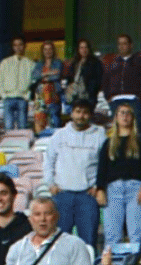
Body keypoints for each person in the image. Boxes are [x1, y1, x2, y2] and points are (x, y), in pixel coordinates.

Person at [41, 97, 106, 245]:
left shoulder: (99, 135)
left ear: (90, 115)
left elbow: (105, 164)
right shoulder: (59, 135)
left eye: (85, 112)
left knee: (88, 242)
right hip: (62, 195)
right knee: (59, 242)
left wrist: (98, 186)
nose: (81, 116)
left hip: (87, 197)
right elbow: (49, 161)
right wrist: (50, 184)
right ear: (71, 114)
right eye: (77, 112)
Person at [96, 103, 141, 252]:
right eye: (121, 113)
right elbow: (102, 168)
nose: (125, 116)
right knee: (112, 235)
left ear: (132, 118)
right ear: (116, 117)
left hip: (136, 189)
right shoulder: (108, 143)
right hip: (113, 190)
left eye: (128, 113)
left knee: (136, 235)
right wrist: (100, 189)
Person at [0, 38, 37, 135]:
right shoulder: (5, 62)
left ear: (24, 46)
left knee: (22, 127)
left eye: (20, 44)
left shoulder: (31, 64)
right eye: (15, 45)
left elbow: (34, 82)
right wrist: (3, 95)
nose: (18, 47)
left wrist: (28, 95)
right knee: (8, 127)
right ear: (13, 47)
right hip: (8, 98)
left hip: (22, 98)